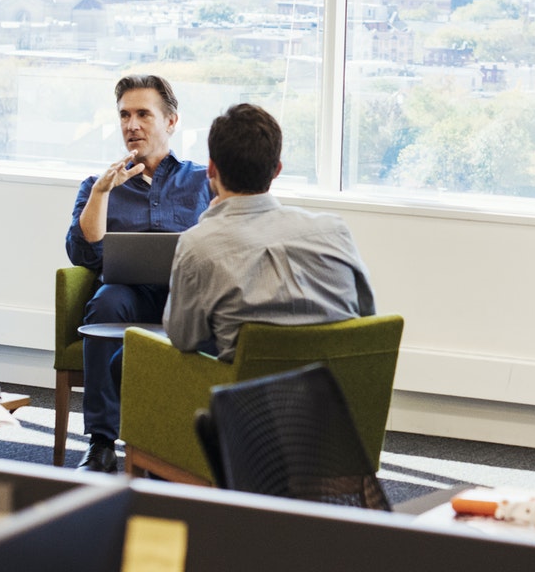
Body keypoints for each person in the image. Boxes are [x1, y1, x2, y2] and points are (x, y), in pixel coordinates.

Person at [65, 74, 212, 471]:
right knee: (105, 302)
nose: (132, 125)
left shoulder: (203, 181)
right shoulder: (100, 185)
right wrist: (100, 194)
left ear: (171, 121)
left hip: (186, 295)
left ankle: (184, 441)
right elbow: (81, 253)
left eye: (143, 114)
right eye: (125, 115)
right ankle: (101, 443)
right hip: (126, 294)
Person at [163, 102, 375, 362]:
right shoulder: (334, 230)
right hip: (335, 396)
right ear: (276, 170)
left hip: (248, 400)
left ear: (211, 169)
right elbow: (366, 318)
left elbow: (183, 337)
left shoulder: (198, 245)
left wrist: (209, 221)